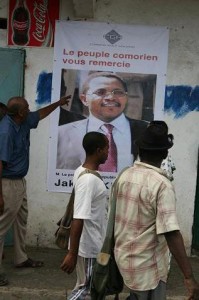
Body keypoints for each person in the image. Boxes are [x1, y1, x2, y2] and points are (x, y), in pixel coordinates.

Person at [113, 121, 199, 300]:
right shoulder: (161, 185)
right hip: (148, 267)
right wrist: (189, 277)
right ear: (165, 153)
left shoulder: (124, 176)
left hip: (124, 259)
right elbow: (171, 233)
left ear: (139, 150)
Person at [0, 95, 71, 286]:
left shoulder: (22, 120)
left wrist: (58, 103)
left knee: (21, 219)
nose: (29, 109)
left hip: (19, 181)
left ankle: (20, 258)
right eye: (26, 107)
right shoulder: (6, 131)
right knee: (2, 226)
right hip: (7, 183)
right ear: (20, 113)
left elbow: (39, 114)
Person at [57, 72, 148, 172]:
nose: (111, 98)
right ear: (84, 99)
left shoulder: (147, 131)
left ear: (126, 98)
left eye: (118, 92)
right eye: (100, 92)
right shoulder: (62, 134)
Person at [61, 131, 109, 299]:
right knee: (86, 291)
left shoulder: (82, 171)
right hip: (90, 247)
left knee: (93, 290)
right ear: (98, 151)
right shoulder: (89, 181)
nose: (108, 152)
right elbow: (78, 217)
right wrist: (72, 254)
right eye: (106, 149)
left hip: (94, 244)